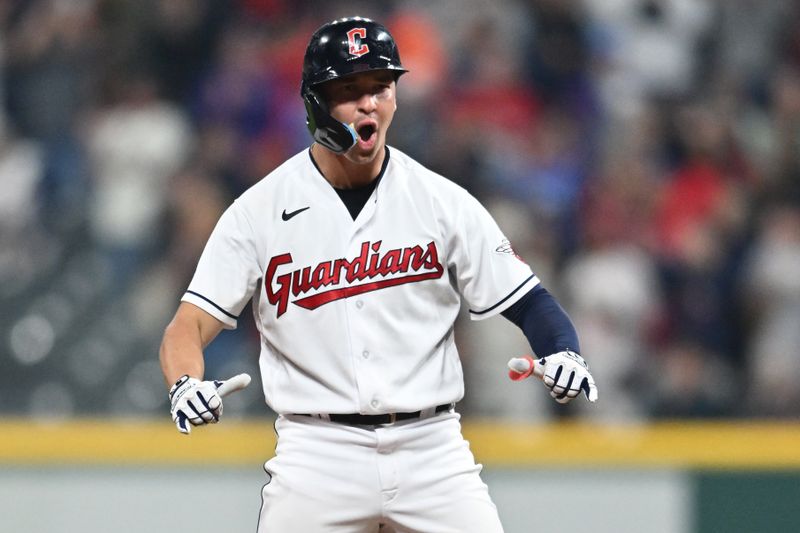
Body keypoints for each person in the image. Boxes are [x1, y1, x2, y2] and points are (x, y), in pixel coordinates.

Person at [159, 16, 598, 533]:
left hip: (431, 449)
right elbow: (186, 327)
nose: (368, 102)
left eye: (380, 86)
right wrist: (185, 383)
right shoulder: (257, 212)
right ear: (314, 101)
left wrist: (563, 350)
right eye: (349, 89)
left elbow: (531, 303)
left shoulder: (441, 201)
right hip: (316, 454)